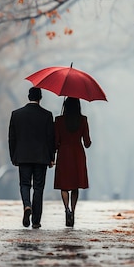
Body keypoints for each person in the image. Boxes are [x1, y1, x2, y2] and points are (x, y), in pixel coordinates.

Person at [8, 87, 55, 229]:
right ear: (40, 98)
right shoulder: (47, 115)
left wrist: (13, 156)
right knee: (38, 188)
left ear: (28, 97)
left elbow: (12, 138)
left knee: (24, 184)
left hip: (23, 157)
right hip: (41, 158)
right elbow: (50, 139)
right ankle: (36, 221)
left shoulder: (16, 114)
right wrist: (51, 157)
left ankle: (27, 205)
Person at [53, 97, 92, 227]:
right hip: (77, 155)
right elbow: (87, 143)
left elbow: (55, 142)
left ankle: (66, 209)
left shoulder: (58, 120)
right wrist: (88, 142)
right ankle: (73, 211)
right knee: (75, 185)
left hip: (64, 154)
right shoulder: (83, 120)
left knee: (64, 185)